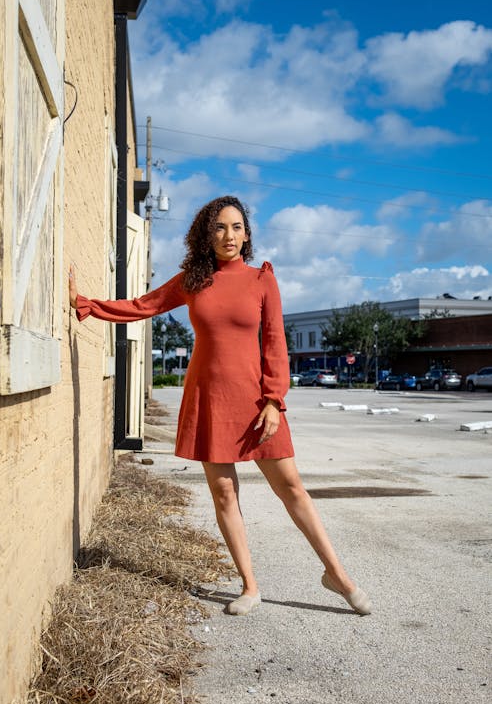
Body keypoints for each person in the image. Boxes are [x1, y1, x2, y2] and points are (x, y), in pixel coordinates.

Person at [69, 196, 371, 616]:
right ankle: (249, 586)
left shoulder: (262, 280)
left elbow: (275, 343)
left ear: (246, 235)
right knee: (224, 491)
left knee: (292, 489)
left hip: (256, 401)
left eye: (236, 227)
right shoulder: (193, 281)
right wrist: (88, 304)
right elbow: (144, 306)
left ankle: (336, 573)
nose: (228, 235)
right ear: (206, 235)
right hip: (209, 397)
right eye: (219, 227)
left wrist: (274, 400)